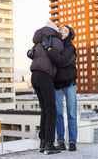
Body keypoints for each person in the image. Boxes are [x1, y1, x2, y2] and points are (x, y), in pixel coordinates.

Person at [29, 21, 63, 155]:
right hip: (45, 75)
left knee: (45, 109)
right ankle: (49, 144)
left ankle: (43, 143)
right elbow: (58, 57)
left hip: (34, 76)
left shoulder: (37, 41)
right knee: (51, 109)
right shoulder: (55, 40)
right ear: (54, 30)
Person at [42, 25, 78, 152]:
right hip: (56, 83)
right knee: (58, 114)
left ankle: (72, 142)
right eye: (61, 30)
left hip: (69, 82)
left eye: (65, 30)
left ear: (69, 34)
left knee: (71, 113)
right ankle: (61, 141)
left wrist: (50, 50)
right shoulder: (55, 44)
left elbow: (61, 60)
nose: (62, 32)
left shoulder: (70, 46)